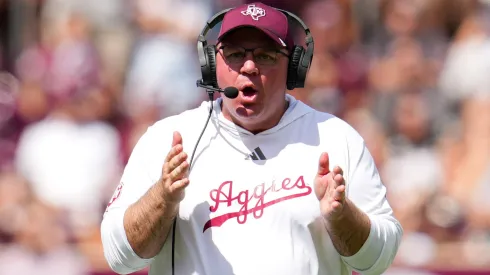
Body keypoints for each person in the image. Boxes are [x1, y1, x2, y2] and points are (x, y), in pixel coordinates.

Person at [101, 2, 403, 275]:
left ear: (294, 67)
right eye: (234, 55)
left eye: (265, 55)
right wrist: (162, 198)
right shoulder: (168, 139)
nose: (248, 67)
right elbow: (120, 258)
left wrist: (342, 216)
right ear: (211, 65)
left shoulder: (337, 138)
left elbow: (378, 261)